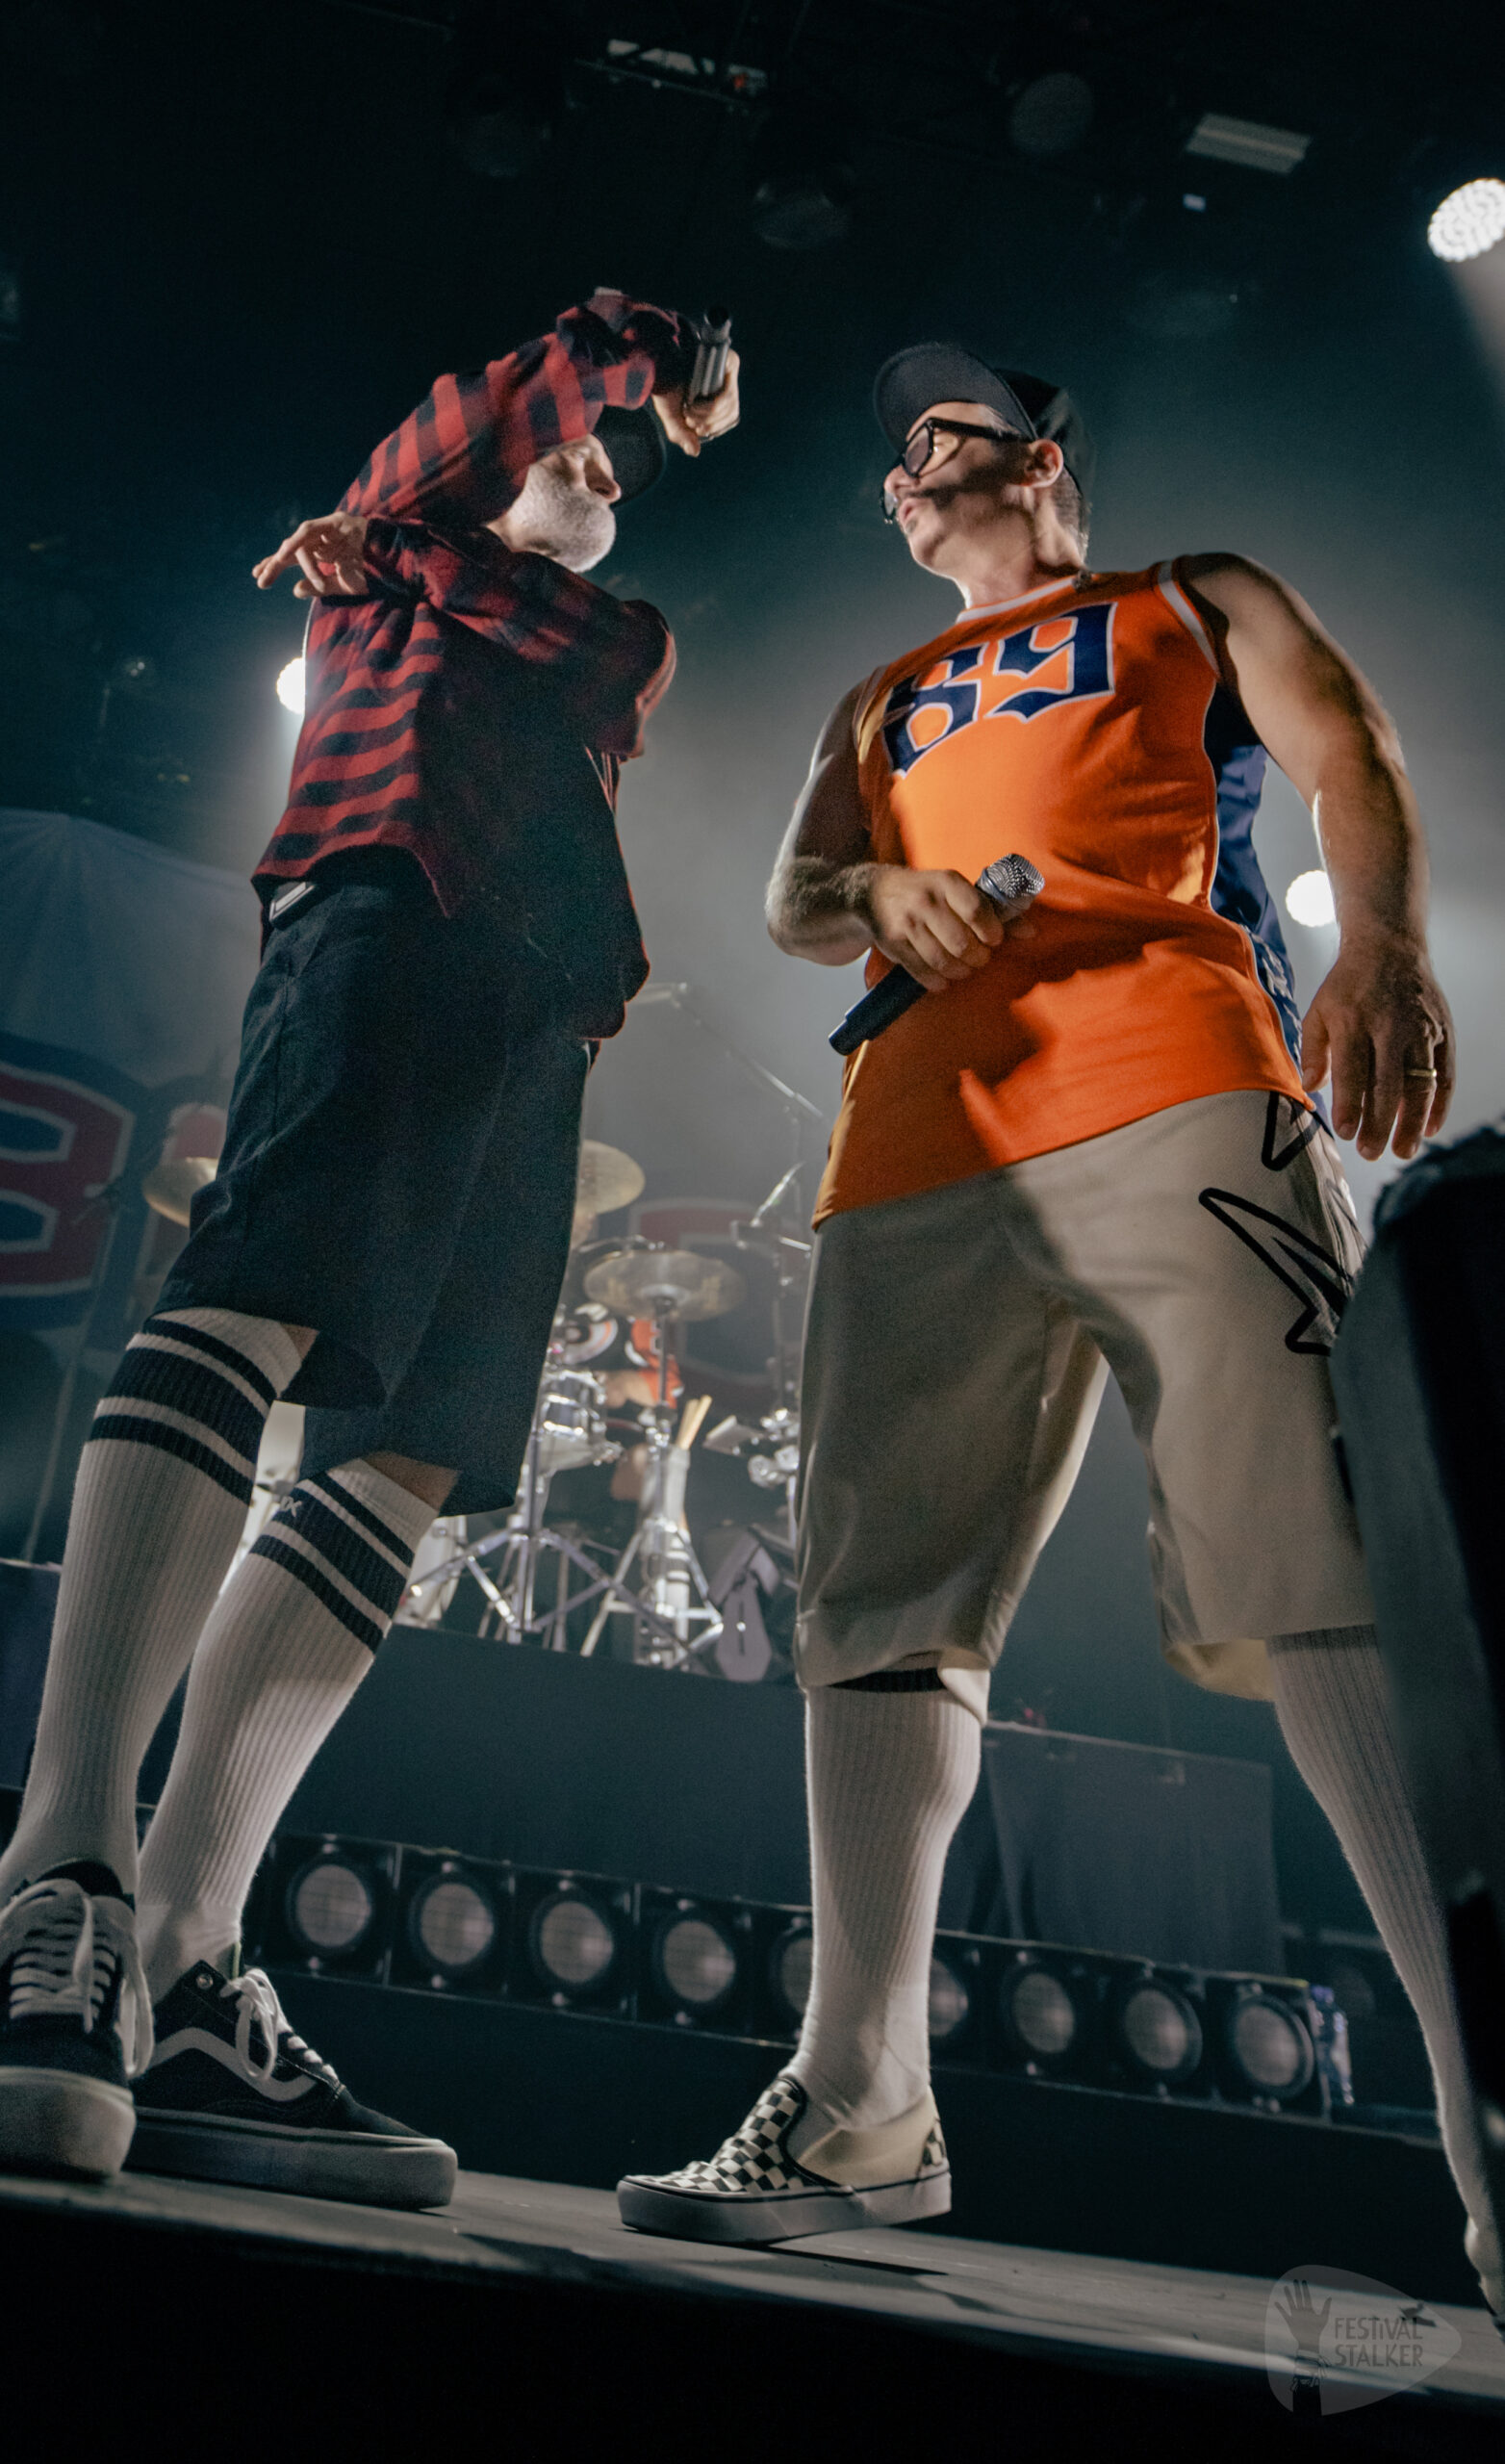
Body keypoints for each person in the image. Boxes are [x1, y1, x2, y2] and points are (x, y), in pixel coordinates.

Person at [618, 340, 1497, 2314]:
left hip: (1178, 1070)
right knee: (875, 1602)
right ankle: (859, 2096)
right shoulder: (876, 693)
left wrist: (1379, 939)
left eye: (943, 434)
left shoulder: (1188, 594)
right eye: (894, 455)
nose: (904, 469)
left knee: (1318, 1557)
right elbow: (791, 895)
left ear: (1040, 458)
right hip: (915, 1138)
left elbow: (1344, 740)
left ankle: (1487, 2119)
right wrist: (876, 890)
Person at [0, 292, 739, 2207]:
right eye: (562, 444)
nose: (593, 460)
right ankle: (57, 1883)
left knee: (411, 1451)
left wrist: (443, 537)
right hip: (382, 908)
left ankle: (188, 1961)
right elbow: (502, 397)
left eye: (605, 452)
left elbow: (609, 649)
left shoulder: (573, 631)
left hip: (540, 1009)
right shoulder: (399, 523)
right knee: (250, 1300)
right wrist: (654, 354)